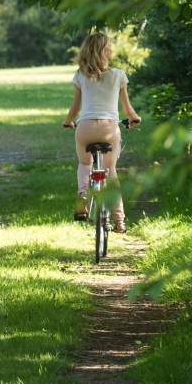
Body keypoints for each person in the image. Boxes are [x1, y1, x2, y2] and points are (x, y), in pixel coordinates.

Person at [61, 32, 141, 233]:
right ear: (106, 51)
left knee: (84, 163)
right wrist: (134, 118)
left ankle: (82, 198)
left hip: (85, 128)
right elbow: (127, 108)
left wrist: (68, 121)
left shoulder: (80, 75)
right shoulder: (118, 75)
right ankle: (119, 221)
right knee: (111, 171)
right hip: (108, 128)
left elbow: (75, 107)